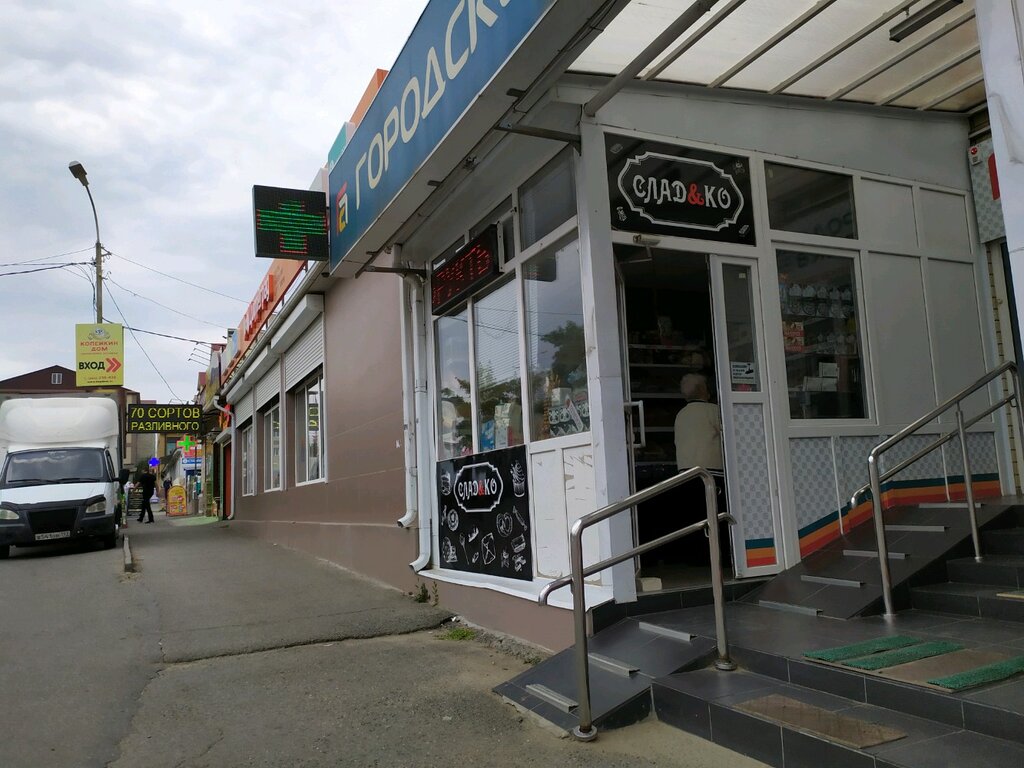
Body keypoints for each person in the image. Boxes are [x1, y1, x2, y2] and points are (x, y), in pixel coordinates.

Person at [674, 373, 723, 471]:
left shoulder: (681, 414)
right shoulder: (713, 410)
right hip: (710, 470)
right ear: (702, 389)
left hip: (685, 470)